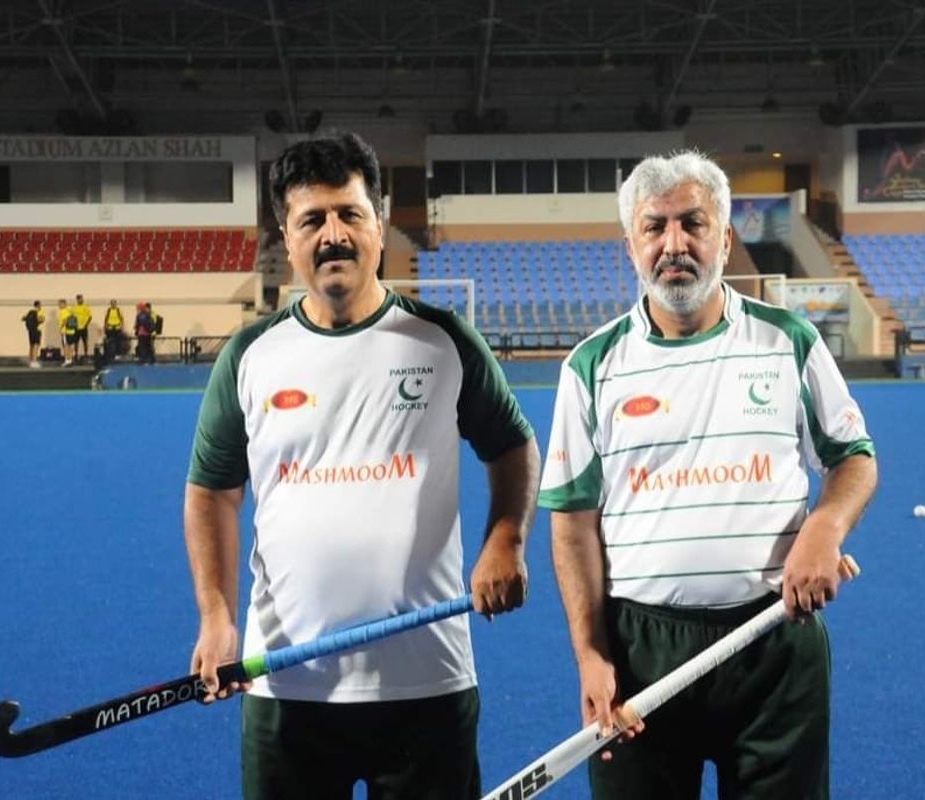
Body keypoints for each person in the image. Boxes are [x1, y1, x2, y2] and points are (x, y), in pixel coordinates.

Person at [185, 131, 540, 800]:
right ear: (285, 238)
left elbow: (513, 445)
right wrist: (215, 616)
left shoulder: (441, 341)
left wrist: (506, 539)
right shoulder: (250, 355)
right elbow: (212, 493)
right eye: (312, 219)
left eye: (350, 213)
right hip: (286, 685)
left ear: (379, 223)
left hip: (427, 681)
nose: (334, 235)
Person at [539, 149, 878, 799]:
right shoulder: (591, 365)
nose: (675, 244)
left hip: (775, 642)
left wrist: (825, 528)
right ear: (629, 246)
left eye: (693, 224)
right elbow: (573, 523)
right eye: (654, 227)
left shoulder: (788, 340)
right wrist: (590, 653)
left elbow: (854, 458)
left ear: (725, 237)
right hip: (642, 655)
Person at [23, 300, 44, 367]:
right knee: (36, 345)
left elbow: (23, 318)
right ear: (38, 305)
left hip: (30, 331)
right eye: (40, 305)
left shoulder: (30, 312)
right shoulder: (37, 312)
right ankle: (34, 361)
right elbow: (41, 320)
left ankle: (31, 360)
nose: (41, 306)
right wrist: (42, 319)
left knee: (31, 345)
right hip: (36, 330)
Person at [72, 293, 92, 361]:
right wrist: (74, 325)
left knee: (85, 341)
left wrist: (86, 324)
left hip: (84, 328)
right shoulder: (74, 307)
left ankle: (86, 354)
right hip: (76, 328)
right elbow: (72, 317)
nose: (81, 300)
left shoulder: (86, 307)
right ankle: (76, 355)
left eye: (82, 299)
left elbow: (90, 317)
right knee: (76, 342)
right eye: (79, 299)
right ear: (77, 300)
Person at [56, 298, 76, 367]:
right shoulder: (69, 311)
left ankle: (67, 360)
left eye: (60, 304)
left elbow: (63, 322)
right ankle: (69, 360)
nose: (59, 305)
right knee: (70, 345)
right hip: (71, 331)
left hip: (66, 332)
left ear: (64, 304)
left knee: (66, 346)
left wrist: (61, 328)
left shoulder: (63, 312)